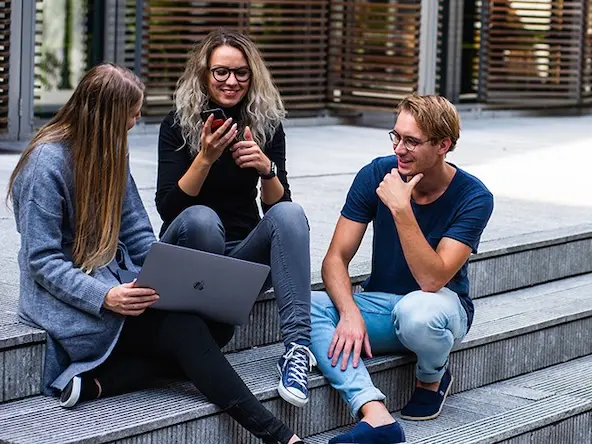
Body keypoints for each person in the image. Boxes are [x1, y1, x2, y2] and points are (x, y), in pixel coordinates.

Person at [8, 64, 303, 444]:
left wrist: (165, 277)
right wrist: (106, 296)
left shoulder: (111, 151)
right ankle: (278, 435)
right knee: (188, 331)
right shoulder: (45, 164)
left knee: (218, 327)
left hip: (120, 285)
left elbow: (138, 233)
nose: (135, 122)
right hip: (73, 302)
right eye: (131, 114)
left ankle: (104, 381)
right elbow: (43, 260)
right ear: (106, 115)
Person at [309, 94, 494, 443]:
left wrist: (401, 209)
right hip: (381, 305)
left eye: (411, 141)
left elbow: (432, 278)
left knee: (417, 311)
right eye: (396, 136)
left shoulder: (474, 197)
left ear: (443, 145)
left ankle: (432, 375)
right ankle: (374, 414)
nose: (399, 149)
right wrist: (349, 312)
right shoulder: (376, 173)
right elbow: (335, 258)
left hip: (439, 307)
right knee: (306, 306)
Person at [155, 29, 314, 408]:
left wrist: (267, 169)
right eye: (221, 72)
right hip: (190, 253)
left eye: (241, 73)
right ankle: (198, 334)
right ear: (204, 74)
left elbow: (279, 209)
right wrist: (205, 158)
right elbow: (169, 208)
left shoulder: (266, 124)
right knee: (202, 220)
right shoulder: (177, 124)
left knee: (290, 214)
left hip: (240, 261)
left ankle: (297, 351)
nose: (231, 81)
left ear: (253, 75)